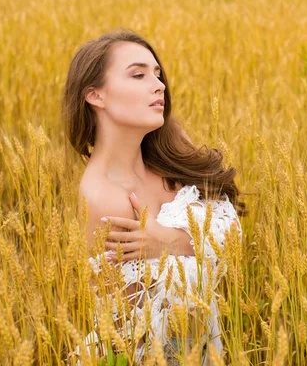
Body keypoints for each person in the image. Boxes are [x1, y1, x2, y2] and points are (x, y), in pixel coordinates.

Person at [62, 28, 247, 364]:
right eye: (138, 74)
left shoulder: (170, 148)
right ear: (95, 96)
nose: (158, 85)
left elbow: (231, 230)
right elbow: (133, 333)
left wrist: (169, 241)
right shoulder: (104, 197)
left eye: (158, 75)